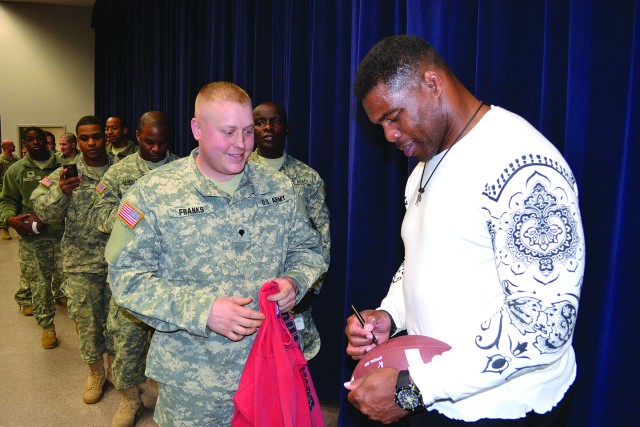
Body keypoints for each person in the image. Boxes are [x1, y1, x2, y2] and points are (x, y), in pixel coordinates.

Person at [344, 35, 585, 426]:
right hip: (439, 395)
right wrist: (391, 314)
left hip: (502, 408)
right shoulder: (425, 163)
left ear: (432, 84)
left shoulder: (523, 166)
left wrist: (412, 387)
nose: (388, 135)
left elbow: (544, 327)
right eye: (381, 124)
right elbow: (420, 258)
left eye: (394, 117)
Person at [105, 81, 327, 425]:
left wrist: (294, 282)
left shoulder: (280, 188)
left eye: (248, 132)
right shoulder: (154, 193)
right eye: (228, 132)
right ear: (197, 129)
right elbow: (126, 279)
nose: (242, 145)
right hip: (194, 383)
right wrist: (203, 311)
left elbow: (309, 248)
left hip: (269, 367)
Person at [93, 111, 180, 427]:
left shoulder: (184, 170)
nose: (156, 149)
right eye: (149, 142)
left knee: (177, 346)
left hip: (174, 276)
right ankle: (130, 399)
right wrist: (136, 214)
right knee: (127, 344)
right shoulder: (119, 173)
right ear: (138, 136)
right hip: (133, 275)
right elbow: (101, 219)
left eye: (162, 143)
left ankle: (174, 402)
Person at [32, 116, 116, 405]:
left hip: (120, 262)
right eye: (84, 138)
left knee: (119, 324)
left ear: (105, 137)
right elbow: (44, 212)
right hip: (82, 264)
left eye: (96, 136)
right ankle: (95, 372)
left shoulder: (122, 171)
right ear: (78, 141)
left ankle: (116, 369)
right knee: (89, 323)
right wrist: (62, 193)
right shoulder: (62, 175)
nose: (91, 143)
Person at [249, 101, 331, 360]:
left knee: (294, 357)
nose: (268, 128)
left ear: (287, 129)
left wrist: (309, 286)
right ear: (250, 129)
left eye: (275, 121)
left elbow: (322, 236)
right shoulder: (237, 172)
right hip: (247, 289)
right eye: (260, 122)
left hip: (293, 288)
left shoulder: (307, 178)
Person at [0, 128, 63, 347]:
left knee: (70, 284)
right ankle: (47, 326)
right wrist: (10, 219)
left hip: (65, 237)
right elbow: (7, 200)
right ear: (24, 143)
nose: (35, 142)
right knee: (39, 283)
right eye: (30, 139)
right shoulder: (16, 170)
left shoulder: (63, 167)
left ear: (47, 141)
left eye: (39, 138)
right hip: (34, 238)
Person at [1, 139, 19, 240]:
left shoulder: (15, 159)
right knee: (4, 210)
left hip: (15, 186)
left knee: (17, 207)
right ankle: (5, 229)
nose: (15, 146)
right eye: (12, 145)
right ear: (8, 147)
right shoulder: (1, 160)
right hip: (3, 188)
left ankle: (18, 228)